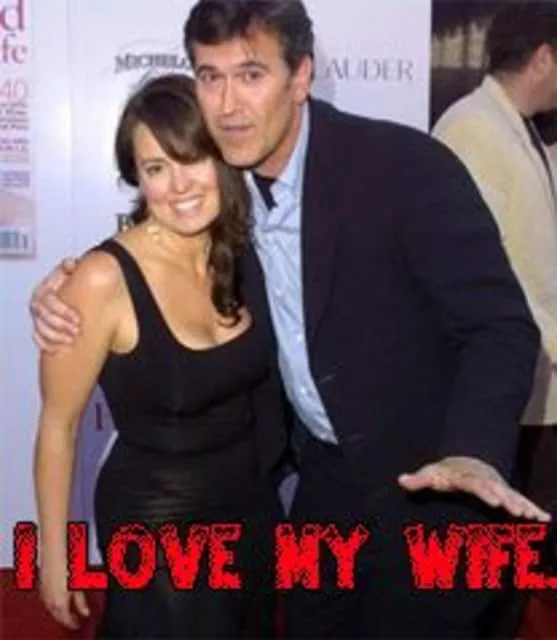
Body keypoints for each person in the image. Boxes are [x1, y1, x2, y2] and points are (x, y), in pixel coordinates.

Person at [30, 1, 552, 637]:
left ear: (301, 76)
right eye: (210, 76)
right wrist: (64, 288)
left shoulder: (404, 167)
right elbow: (150, 261)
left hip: (435, 488)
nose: (228, 104)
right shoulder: (223, 198)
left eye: (251, 74)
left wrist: (473, 451)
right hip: (321, 489)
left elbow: (499, 326)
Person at [33, 73, 286, 638]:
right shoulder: (101, 279)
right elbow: (58, 425)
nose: (179, 186)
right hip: (156, 521)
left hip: (251, 507)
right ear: (137, 179)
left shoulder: (244, 253)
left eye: (192, 158)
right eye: (155, 168)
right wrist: (56, 555)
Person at [432, 3, 557, 634]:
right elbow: (485, 277)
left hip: (538, 386)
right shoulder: (471, 131)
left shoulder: (520, 129)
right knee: (498, 565)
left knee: (522, 560)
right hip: (508, 387)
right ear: (544, 57)